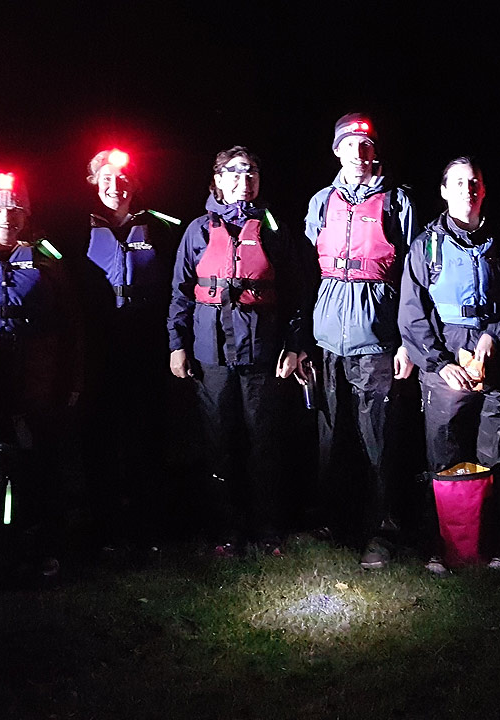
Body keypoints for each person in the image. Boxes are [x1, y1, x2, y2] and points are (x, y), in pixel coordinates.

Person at [167, 147, 309, 555]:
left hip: (261, 352)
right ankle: (226, 530)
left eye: (251, 172)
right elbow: (180, 293)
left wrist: (295, 347)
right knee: (217, 442)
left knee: (264, 441)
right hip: (211, 354)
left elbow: (297, 294)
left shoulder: (273, 227)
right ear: (218, 180)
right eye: (234, 172)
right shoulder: (197, 230)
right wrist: (177, 345)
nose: (244, 179)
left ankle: (267, 529)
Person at [400, 157, 500, 572]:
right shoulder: (426, 246)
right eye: (457, 182)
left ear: (484, 189)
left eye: (474, 181)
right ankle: (443, 545)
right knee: (444, 453)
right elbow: (412, 313)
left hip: (496, 357)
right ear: (443, 191)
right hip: (447, 358)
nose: (467, 188)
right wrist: (438, 364)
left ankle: (498, 543)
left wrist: (497, 334)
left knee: (499, 453)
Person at [0, 171, 83, 597]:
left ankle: (43, 548)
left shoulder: (47, 257)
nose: (6, 216)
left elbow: (71, 326)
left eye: (15, 208)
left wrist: (72, 380)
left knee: (42, 463)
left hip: (38, 375)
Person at [303, 113, 417, 569]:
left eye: (367, 145)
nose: (359, 153)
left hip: (377, 339)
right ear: (337, 151)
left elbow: (413, 274)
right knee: (333, 435)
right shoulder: (320, 201)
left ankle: (384, 528)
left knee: (380, 439)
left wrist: (406, 341)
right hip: (329, 337)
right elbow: (313, 267)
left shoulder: (397, 201)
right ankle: (336, 521)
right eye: (350, 145)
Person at [83, 147, 179, 549]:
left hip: (147, 341)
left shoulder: (162, 227)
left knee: (148, 433)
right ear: (94, 183)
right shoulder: (75, 228)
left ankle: (151, 523)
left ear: (136, 184)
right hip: (100, 345)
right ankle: (103, 524)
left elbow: (180, 285)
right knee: (102, 437)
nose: (115, 185)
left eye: (123, 178)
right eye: (106, 178)